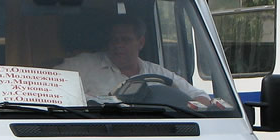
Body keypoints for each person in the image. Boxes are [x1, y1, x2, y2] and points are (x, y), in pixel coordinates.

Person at [58, 15, 211, 105]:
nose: (118, 45)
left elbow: (201, 97)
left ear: (141, 42)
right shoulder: (83, 65)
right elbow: (50, 88)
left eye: (125, 40)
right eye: (114, 40)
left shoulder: (156, 72)